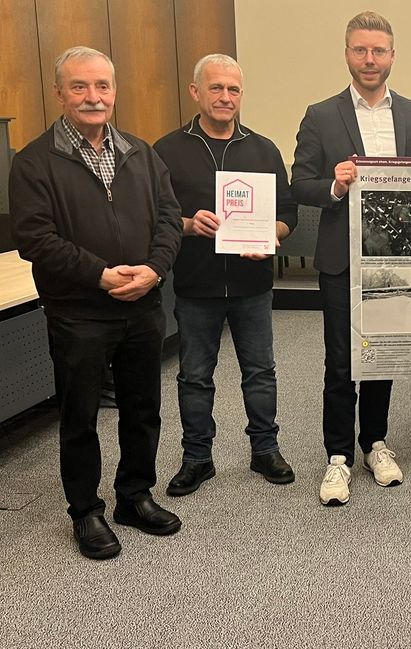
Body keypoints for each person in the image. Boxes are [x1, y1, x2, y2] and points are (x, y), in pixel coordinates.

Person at [9, 46, 183, 559]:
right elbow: (35, 238)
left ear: (114, 90)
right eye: (80, 86)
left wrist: (154, 269)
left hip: (143, 305)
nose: (93, 97)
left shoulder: (140, 152)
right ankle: (85, 510)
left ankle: (135, 496)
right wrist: (100, 275)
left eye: (102, 86)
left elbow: (169, 219)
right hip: (78, 312)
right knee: (80, 416)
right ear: (59, 92)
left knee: (143, 409)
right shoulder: (34, 162)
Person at [291, 11, 411, 506]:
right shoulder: (320, 114)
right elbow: (300, 183)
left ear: (392, 55)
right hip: (342, 258)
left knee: (380, 356)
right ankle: (337, 455)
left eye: (378, 51)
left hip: (395, 259)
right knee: (340, 360)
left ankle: (375, 443)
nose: (370, 59)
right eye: (360, 50)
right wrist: (334, 184)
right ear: (347, 53)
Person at [154, 54, 298, 497]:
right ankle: (197, 458)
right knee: (195, 376)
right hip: (196, 285)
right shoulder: (167, 151)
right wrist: (187, 224)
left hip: (252, 285)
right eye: (216, 87)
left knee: (260, 372)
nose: (225, 97)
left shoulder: (264, 149)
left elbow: (287, 213)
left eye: (233, 89)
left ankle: (265, 450)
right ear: (195, 92)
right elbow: (155, 216)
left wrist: (272, 235)